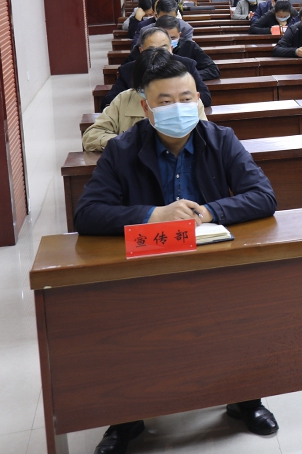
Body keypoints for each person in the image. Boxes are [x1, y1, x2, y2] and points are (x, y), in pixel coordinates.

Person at [74, 52, 279, 453]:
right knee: (126, 327)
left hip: (211, 257)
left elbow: (263, 195)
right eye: (165, 101)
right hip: (148, 262)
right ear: (146, 108)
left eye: (186, 98)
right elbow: (88, 213)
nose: (178, 108)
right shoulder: (122, 149)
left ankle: (245, 398)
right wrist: (154, 215)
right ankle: (126, 417)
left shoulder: (221, 138)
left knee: (242, 309)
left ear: (198, 100)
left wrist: (212, 211)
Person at [84, 49, 207, 153]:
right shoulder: (124, 99)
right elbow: (92, 135)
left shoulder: (189, 102)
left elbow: (205, 136)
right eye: (145, 87)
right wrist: (126, 143)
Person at [104, 27, 212, 108]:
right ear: (141, 51)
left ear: (171, 49)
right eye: (152, 49)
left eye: (163, 48)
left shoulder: (187, 65)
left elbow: (205, 97)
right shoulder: (128, 70)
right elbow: (108, 101)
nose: (158, 53)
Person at [157, 16, 220, 82]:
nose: (169, 42)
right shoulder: (151, 48)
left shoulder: (190, 46)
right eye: (165, 38)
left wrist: (187, 76)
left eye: (172, 38)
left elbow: (213, 70)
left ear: (179, 35)